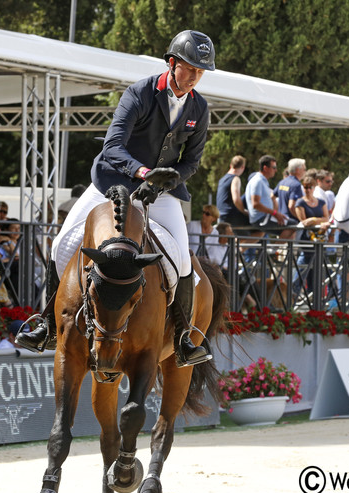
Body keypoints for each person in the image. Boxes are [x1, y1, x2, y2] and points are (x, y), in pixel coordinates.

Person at [18, 30, 216, 368]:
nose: (195, 76)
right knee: (60, 245)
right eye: (190, 68)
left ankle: (183, 337)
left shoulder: (199, 106)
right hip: (112, 182)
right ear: (172, 63)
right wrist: (143, 174)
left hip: (161, 191)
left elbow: (191, 161)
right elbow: (113, 146)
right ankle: (46, 325)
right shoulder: (139, 93)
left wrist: (167, 179)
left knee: (182, 260)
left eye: (201, 71)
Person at [245, 154, 296, 239]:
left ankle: (282, 251)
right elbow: (256, 204)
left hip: (265, 217)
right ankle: (275, 250)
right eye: (274, 167)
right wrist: (275, 213)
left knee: (291, 227)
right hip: (261, 218)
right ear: (265, 168)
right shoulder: (258, 181)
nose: (276, 170)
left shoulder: (263, 181)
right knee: (293, 225)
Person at [216, 155, 250, 231]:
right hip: (232, 216)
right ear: (242, 167)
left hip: (221, 215)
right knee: (260, 229)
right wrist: (244, 212)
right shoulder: (235, 178)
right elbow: (236, 199)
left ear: (231, 165)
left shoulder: (222, 179)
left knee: (231, 239)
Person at [273, 158, 305, 226]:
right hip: (291, 221)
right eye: (304, 169)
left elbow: (272, 197)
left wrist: (276, 213)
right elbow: (291, 206)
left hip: (282, 219)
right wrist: (301, 219)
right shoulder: (296, 184)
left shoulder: (282, 182)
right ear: (297, 170)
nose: (305, 172)